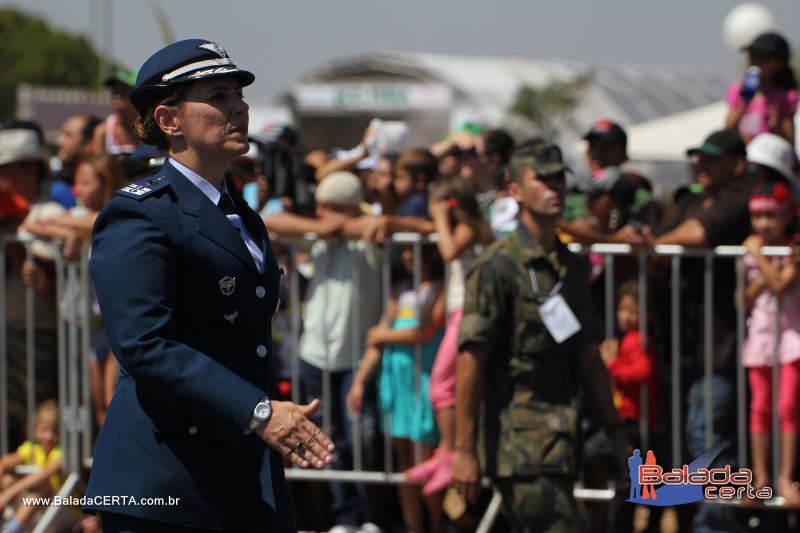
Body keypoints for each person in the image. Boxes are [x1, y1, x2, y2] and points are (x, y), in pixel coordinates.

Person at [85, 39, 334, 532]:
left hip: (240, 475)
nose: (237, 106)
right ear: (169, 120)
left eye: (238, 95)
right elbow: (144, 344)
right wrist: (260, 411)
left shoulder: (243, 218)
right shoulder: (140, 213)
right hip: (165, 481)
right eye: (217, 95)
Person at [452, 143, 627, 532]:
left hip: (565, 440)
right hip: (521, 446)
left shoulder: (570, 267)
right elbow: (470, 360)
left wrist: (615, 432)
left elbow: (588, 355)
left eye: (559, 178)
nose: (555, 188)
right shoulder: (498, 265)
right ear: (515, 190)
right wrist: (463, 449)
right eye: (542, 179)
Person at [646, 129, 753, 533]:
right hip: (681, 346)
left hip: (719, 346)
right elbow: (668, 233)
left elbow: (694, 234)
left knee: (709, 448)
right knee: (681, 449)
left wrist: (654, 248)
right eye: (699, 158)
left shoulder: (741, 197)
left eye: (711, 159)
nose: (701, 165)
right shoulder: (690, 198)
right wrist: (655, 246)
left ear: (735, 164)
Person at [265, 171, 384, 533]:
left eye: (327, 207)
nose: (319, 213)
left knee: (360, 440)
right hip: (314, 354)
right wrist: (326, 226)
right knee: (326, 438)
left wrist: (337, 225)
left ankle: (370, 516)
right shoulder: (318, 239)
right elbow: (271, 221)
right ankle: (344, 517)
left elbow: (373, 225)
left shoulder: (369, 240)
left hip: (356, 358)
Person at [347, 244, 446, 533]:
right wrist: (359, 381)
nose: (405, 255)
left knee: (424, 456)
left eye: (411, 249)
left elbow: (422, 332)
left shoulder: (440, 286)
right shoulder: (399, 288)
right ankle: (414, 526)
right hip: (396, 382)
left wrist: (382, 334)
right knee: (403, 457)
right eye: (401, 250)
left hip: (421, 380)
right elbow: (377, 341)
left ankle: (438, 524)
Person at [405, 175, 493, 496]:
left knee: (441, 385)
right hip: (460, 314)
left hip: (467, 315)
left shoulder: (469, 230)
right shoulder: (460, 229)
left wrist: (441, 219)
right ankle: (446, 451)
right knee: (448, 386)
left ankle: (450, 453)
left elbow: (447, 252)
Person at [742, 179, 800, 505]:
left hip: (791, 337)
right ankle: (760, 478)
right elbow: (744, 299)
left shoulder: (793, 250)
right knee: (760, 408)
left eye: (771, 216)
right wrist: (762, 263)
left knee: (788, 407)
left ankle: (785, 477)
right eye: (758, 217)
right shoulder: (763, 254)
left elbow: (779, 285)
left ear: (785, 217)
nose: (763, 224)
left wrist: (758, 257)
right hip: (760, 337)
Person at [0, 400, 63, 533]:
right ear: (35, 429)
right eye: (45, 430)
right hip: (36, 509)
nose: (49, 436)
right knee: (6, 480)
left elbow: (43, 475)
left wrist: (6, 495)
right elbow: (5, 462)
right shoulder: (32, 448)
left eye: (55, 431)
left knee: (41, 488)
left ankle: (12, 529)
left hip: (61, 509)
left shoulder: (61, 452)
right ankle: (11, 524)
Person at [726, 32, 798, 145]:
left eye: (762, 57)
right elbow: (728, 129)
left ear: (778, 63)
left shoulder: (787, 97)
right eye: (752, 55)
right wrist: (744, 104)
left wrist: (777, 125)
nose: (754, 61)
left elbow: (789, 142)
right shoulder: (738, 90)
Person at [93, 69, 141, 157]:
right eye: (115, 91)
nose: (117, 95)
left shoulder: (150, 130)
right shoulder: (102, 132)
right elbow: (98, 166)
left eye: (124, 91)